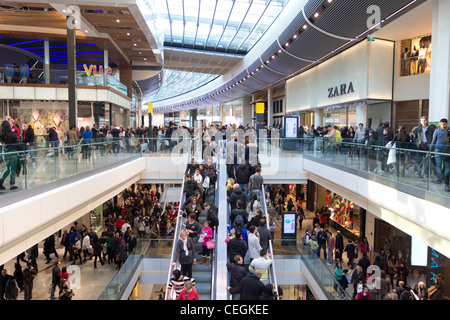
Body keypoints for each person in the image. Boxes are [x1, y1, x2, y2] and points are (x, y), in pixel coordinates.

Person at [0, 120, 20, 190]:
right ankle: (12, 184)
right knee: (13, 169)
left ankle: (0, 182)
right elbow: (18, 143)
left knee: (8, 169)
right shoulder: (13, 134)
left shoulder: (1, 135)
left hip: (5, 153)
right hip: (13, 153)